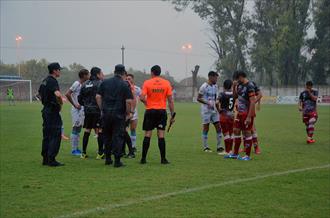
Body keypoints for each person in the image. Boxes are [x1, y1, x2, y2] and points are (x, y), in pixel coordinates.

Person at [96, 64, 133, 168]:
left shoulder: (105, 82)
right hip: (119, 114)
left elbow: (98, 96)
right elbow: (128, 101)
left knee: (107, 136)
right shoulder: (125, 84)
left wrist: (102, 108)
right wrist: (128, 113)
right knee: (118, 136)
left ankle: (108, 159)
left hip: (106, 113)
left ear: (114, 71)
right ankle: (117, 161)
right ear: (123, 73)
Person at [139, 65, 175, 165]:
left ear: (152, 72)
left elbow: (141, 97)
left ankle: (143, 159)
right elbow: (170, 101)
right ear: (159, 72)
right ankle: (163, 159)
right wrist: (172, 115)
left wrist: (147, 103)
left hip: (150, 111)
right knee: (161, 135)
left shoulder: (147, 82)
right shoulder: (166, 83)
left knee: (147, 134)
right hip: (161, 111)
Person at [225, 70, 256, 161]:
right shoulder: (239, 85)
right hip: (239, 113)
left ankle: (247, 155)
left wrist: (249, 116)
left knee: (247, 132)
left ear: (241, 76)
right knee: (236, 130)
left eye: (237, 79)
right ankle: (235, 154)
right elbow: (235, 97)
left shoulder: (250, 86)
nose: (236, 81)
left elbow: (253, 101)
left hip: (247, 113)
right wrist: (234, 86)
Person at [38, 62, 64, 167]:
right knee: (55, 134)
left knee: (47, 135)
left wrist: (45, 102)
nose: (59, 71)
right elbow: (57, 94)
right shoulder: (52, 81)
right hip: (52, 111)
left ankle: (45, 158)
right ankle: (52, 159)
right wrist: (60, 103)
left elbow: (38, 94)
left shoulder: (44, 81)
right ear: (54, 70)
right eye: (59, 70)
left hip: (46, 110)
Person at [78, 67, 104, 159]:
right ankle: (100, 153)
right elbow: (102, 97)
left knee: (87, 130)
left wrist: (85, 105)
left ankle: (83, 153)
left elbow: (79, 98)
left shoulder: (84, 84)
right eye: (101, 73)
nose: (102, 75)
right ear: (97, 74)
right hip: (97, 110)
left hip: (87, 110)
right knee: (100, 129)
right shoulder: (100, 83)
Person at [197, 71, 224, 154]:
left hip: (214, 110)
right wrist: (207, 103)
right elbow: (198, 98)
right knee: (206, 128)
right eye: (215, 77)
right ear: (210, 77)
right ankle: (206, 147)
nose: (216, 79)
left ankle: (219, 147)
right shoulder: (204, 87)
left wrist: (218, 107)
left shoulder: (216, 86)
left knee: (218, 127)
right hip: (206, 111)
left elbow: (216, 98)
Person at [65, 69, 90, 156]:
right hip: (76, 110)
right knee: (75, 128)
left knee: (78, 128)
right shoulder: (77, 84)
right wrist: (75, 104)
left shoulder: (84, 85)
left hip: (81, 109)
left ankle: (76, 148)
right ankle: (73, 150)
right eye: (88, 74)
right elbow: (67, 94)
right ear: (84, 75)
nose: (89, 76)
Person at [216, 79, 234, 154]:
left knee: (226, 134)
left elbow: (216, 102)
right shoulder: (234, 94)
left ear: (224, 86)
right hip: (231, 115)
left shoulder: (222, 94)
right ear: (231, 86)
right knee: (231, 133)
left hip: (224, 115)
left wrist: (219, 110)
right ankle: (230, 150)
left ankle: (227, 151)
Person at [126, 74, 141, 152]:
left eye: (129, 78)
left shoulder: (137, 89)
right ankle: (125, 147)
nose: (128, 80)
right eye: (127, 78)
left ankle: (133, 146)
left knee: (133, 129)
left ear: (133, 79)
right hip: (126, 112)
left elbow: (142, 98)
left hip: (134, 112)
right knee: (125, 130)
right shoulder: (124, 87)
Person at [251, 81, 262, 154]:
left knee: (252, 128)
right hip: (240, 109)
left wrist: (255, 103)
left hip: (249, 109)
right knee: (243, 130)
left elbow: (260, 94)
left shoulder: (251, 84)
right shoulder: (238, 85)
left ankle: (256, 147)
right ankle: (246, 147)